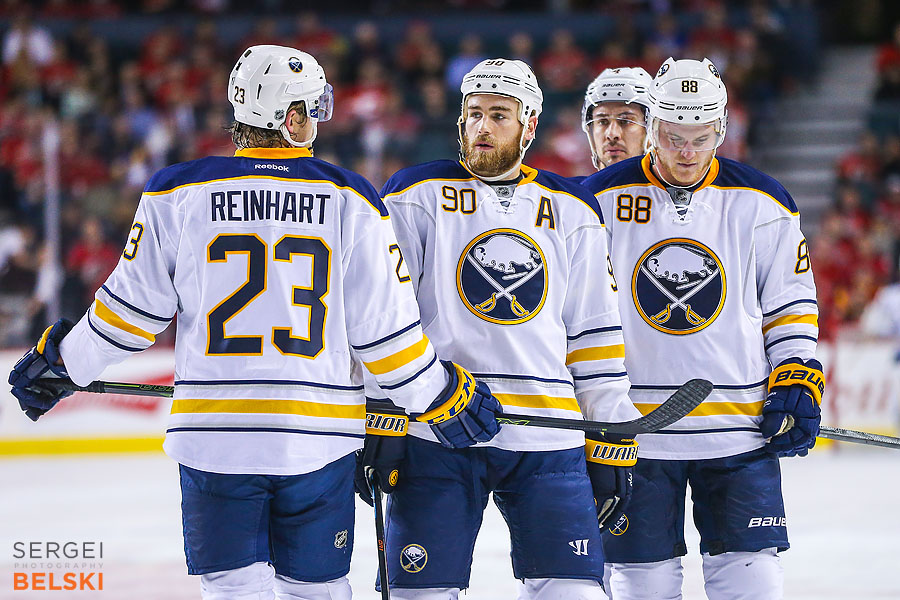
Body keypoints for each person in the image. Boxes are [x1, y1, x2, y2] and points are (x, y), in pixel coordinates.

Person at [8, 45, 503, 600]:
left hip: (213, 440)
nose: (316, 122)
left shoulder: (177, 191)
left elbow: (129, 315)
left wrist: (63, 365)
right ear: (290, 118)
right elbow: (383, 335)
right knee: (317, 591)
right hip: (314, 440)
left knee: (233, 591)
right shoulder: (350, 197)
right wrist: (438, 396)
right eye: (312, 109)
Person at [367, 58, 641, 600]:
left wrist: (611, 435)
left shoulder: (574, 208)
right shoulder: (414, 193)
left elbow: (594, 332)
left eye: (499, 115)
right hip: (437, 429)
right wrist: (381, 415)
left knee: (575, 594)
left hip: (547, 434)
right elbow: (384, 316)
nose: (482, 128)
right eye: (473, 115)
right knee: (418, 594)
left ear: (529, 124)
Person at [580, 57, 824, 600]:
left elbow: (790, 303)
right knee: (641, 585)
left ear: (721, 128)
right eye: (672, 138)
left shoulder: (764, 202)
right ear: (654, 128)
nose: (687, 153)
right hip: (631, 435)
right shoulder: (592, 203)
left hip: (739, 429)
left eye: (700, 138)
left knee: (752, 581)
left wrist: (796, 374)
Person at [580, 67, 652, 175]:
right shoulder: (576, 190)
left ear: (652, 130)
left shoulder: (674, 191)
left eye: (625, 121)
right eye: (603, 122)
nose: (612, 134)